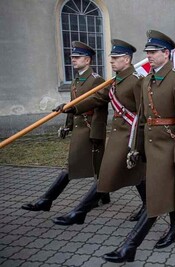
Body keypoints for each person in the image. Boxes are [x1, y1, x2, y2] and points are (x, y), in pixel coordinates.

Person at [102, 30, 175, 263]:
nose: (149, 56)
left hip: (170, 146)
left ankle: (130, 247)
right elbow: (142, 118)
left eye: (153, 52)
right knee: (167, 190)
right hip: (151, 146)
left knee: (155, 196)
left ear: (166, 53)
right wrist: (136, 148)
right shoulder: (147, 81)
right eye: (148, 52)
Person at [51, 39, 146, 225]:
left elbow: (143, 112)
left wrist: (139, 143)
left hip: (130, 136)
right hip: (118, 135)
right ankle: (148, 206)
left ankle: (79, 212)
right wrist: (72, 107)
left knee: (107, 173)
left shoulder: (136, 81)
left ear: (126, 59)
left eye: (115, 57)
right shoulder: (117, 80)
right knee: (138, 175)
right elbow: (97, 98)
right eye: (112, 57)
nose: (111, 61)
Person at [21, 41, 109, 213]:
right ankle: (103, 196)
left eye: (77, 57)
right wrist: (67, 125)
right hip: (79, 128)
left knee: (73, 166)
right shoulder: (76, 80)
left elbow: (98, 100)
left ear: (87, 60)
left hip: (91, 128)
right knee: (98, 165)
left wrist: (74, 108)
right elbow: (72, 104)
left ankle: (46, 200)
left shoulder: (97, 80)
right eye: (72, 57)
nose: (73, 60)